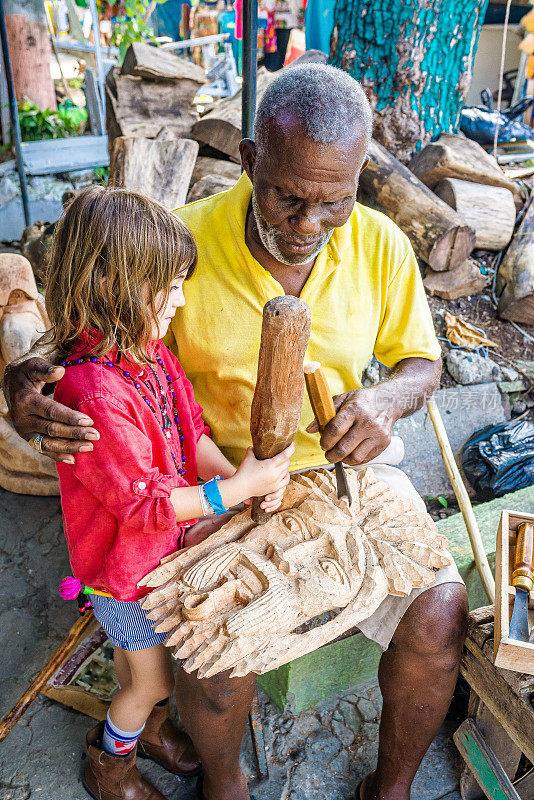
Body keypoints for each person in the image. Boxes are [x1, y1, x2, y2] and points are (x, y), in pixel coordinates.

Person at [4, 64, 469, 800]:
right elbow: (86, 349)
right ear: (251, 160)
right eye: (287, 198)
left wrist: (384, 402)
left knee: (440, 611)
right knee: (214, 662)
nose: (306, 226)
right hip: (208, 483)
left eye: (333, 204)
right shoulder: (178, 248)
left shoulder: (381, 244)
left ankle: (393, 790)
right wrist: (24, 381)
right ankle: (225, 787)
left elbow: (422, 363)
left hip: (342, 471)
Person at [46, 185, 293, 800]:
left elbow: (191, 435)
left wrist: (242, 476)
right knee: (147, 682)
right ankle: (112, 765)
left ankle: (147, 733)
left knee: (147, 671)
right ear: (113, 287)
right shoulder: (94, 395)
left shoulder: (149, 355)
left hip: (157, 559)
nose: (181, 299)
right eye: (170, 285)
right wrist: (234, 491)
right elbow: (144, 505)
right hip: (123, 572)